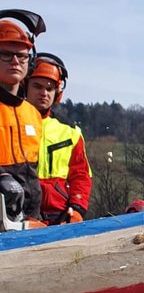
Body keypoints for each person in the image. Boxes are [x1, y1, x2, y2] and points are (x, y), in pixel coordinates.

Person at [25, 53, 93, 225]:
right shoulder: (8, 123)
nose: (44, 93)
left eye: (49, 89)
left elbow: (81, 175)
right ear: (25, 86)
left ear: (57, 93)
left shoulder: (70, 132)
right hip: (19, 213)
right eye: (37, 87)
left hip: (59, 215)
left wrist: (77, 208)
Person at [0, 11, 46, 225]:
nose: (15, 61)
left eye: (22, 56)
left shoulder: (32, 114)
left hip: (29, 218)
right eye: (6, 54)